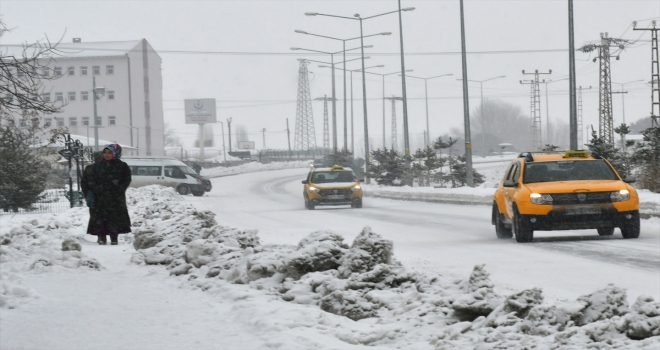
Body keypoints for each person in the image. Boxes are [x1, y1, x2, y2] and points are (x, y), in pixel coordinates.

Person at [81, 144, 132, 245]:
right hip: (99, 197)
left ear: (116, 153)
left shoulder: (122, 166)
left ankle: (114, 237)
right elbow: (87, 180)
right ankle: (101, 237)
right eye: (105, 152)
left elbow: (126, 179)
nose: (107, 155)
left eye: (110, 153)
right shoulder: (97, 166)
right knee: (100, 218)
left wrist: (118, 189)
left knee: (114, 218)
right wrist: (93, 191)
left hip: (115, 198)